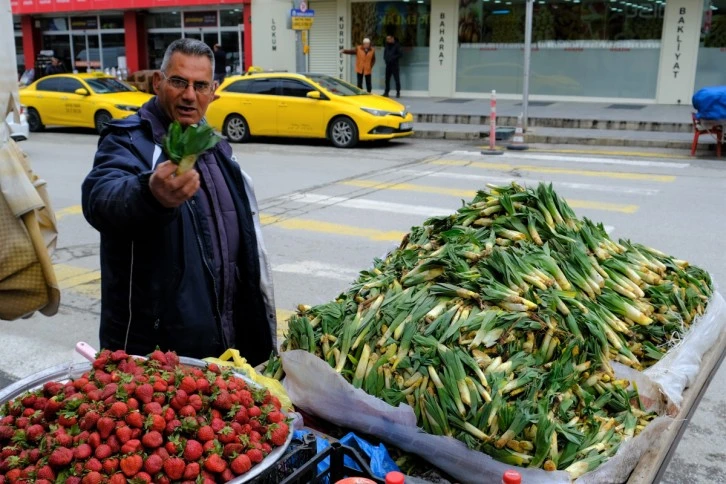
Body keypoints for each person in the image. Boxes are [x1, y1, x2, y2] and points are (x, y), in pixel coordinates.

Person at [81, 38, 277, 365]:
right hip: (157, 353)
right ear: (158, 83)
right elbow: (101, 198)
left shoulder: (216, 148)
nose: (189, 95)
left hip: (225, 344)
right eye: (178, 82)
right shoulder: (128, 140)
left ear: (213, 91)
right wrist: (150, 194)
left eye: (200, 85)